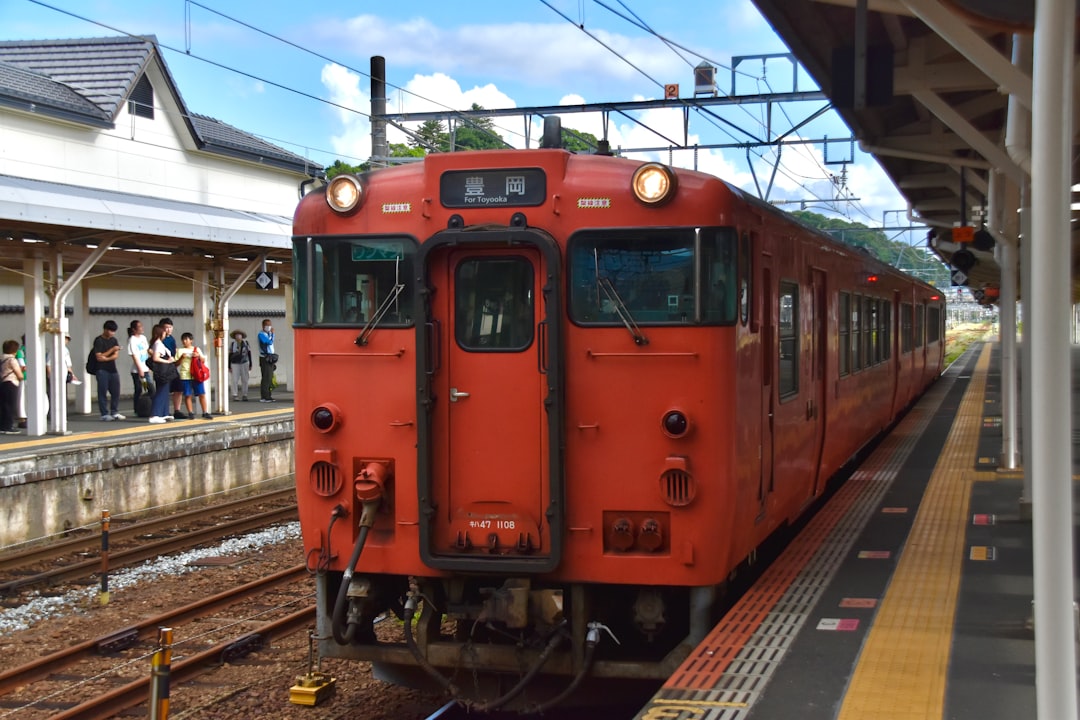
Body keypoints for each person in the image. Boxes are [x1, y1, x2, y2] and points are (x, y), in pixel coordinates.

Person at [92, 320, 125, 421]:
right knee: (102, 391)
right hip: (101, 370)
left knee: (116, 391)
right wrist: (111, 350)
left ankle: (114, 411)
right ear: (105, 329)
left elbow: (115, 355)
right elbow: (98, 356)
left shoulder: (114, 340)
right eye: (111, 331)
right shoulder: (98, 340)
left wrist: (106, 358)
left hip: (112, 369)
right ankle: (104, 413)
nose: (112, 333)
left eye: (114, 331)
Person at [147, 324, 178, 424]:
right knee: (160, 392)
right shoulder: (158, 344)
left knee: (164, 391)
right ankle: (155, 414)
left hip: (163, 371)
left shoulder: (157, 343)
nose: (165, 334)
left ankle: (164, 412)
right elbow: (156, 358)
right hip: (162, 371)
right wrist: (167, 361)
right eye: (164, 332)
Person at [177, 332, 212, 420]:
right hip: (185, 374)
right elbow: (176, 363)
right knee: (187, 394)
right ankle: (190, 412)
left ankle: (205, 412)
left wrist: (198, 356)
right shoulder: (180, 351)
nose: (184, 341)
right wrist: (182, 357)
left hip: (196, 374)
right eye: (183, 339)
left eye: (186, 339)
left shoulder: (196, 349)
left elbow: (203, 360)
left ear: (191, 340)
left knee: (201, 393)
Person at [158, 318, 185, 419]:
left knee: (178, 388)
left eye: (170, 327)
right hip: (163, 367)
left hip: (172, 366)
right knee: (164, 390)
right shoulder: (159, 340)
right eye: (166, 327)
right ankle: (163, 411)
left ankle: (177, 410)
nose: (169, 329)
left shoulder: (172, 339)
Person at [0, 339, 23, 434]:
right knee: (10, 406)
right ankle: (8, 426)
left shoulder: (1, 358)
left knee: (3, 406)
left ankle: (2, 426)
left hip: (2, 383)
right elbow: (19, 375)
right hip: (11, 383)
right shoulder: (12, 360)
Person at [127, 320, 150, 413]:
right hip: (137, 370)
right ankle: (137, 409)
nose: (142, 328)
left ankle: (148, 407)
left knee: (149, 388)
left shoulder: (143, 338)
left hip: (145, 367)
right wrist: (140, 369)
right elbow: (134, 356)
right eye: (139, 326)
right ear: (134, 329)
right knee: (139, 389)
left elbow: (147, 351)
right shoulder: (132, 340)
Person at [228, 329, 251, 401]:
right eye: (236, 335)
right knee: (234, 379)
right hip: (235, 363)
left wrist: (250, 364)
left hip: (245, 362)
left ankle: (245, 394)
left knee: (245, 379)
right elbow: (230, 355)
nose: (238, 336)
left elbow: (249, 353)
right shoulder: (232, 344)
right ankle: (234, 394)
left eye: (239, 334)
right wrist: (229, 366)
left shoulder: (246, 343)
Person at [257, 318, 276, 402]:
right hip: (264, 357)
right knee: (266, 377)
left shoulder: (268, 334)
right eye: (267, 325)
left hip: (270, 357)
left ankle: (268, 395)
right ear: (263, 326)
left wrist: (271, 334)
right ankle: (264, 396)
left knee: (270, 377)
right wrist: (272, 334)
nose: (269, 327)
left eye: (270, 325)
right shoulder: (261, 334)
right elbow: (269, 342)